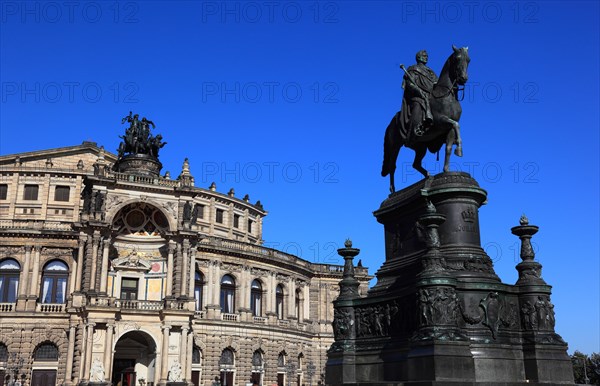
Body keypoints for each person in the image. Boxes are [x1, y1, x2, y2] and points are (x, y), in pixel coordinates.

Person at [400, 50, 438, 145]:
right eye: (424, 56)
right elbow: (409, 84)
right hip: (418, 96)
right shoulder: (413, 69)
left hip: (431, 96)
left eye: (427, 56)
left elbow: (437, 83)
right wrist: (420, 92)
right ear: (418, 57)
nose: (426, 57)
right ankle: (412, 133)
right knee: (418, 106)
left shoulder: (431, 72)